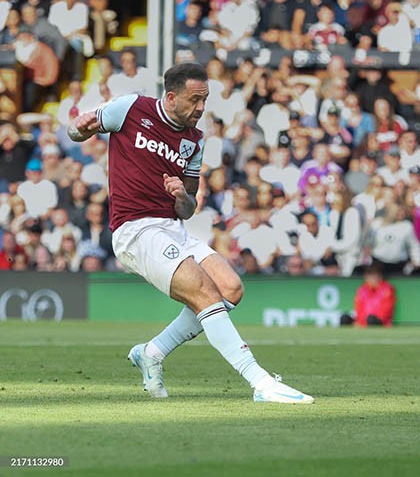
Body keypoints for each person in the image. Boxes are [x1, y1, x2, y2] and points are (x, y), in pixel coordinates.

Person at [67, 62, 313, 403]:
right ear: (171, 97)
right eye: (194, 100)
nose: (201, 108)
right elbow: (76, 132)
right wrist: (80, 128)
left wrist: (181, 195)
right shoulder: (131, 108)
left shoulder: (194, 141)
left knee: (230, 288)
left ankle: (152, 352)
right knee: (205, 293)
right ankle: (260, 382)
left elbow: (188, 208)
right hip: (134, 229)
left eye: (205, 99)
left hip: (172, 227)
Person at [353, 262, 396, 327]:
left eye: (374, 274)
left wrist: (370, 319)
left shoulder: (387, 289)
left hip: (380, 322)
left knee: (371, 320)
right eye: (369, 274)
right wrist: (362, 321)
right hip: (364, 321)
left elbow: (386, 311)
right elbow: (358, 309)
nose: (371, 277)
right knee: (344, 319)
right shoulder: (362, 289)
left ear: (380, 275)